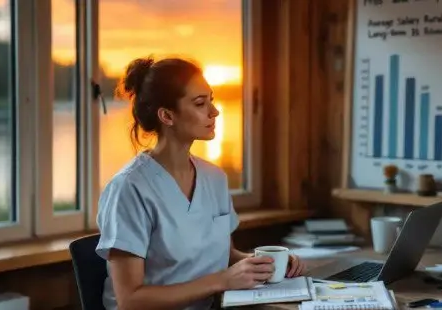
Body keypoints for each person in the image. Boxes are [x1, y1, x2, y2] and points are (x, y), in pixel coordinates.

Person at [94, 56, 305, 310]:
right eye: (200, 103)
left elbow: (225, 256)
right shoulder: (129, 189)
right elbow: (130, 300)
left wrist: (267, 264)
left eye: (211, 100)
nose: (214, 111)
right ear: (167, 115)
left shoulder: (214, 178)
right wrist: (221, 281)